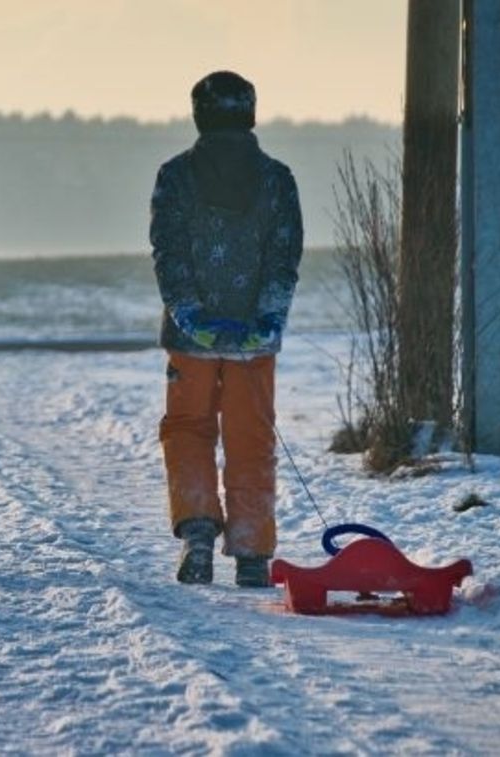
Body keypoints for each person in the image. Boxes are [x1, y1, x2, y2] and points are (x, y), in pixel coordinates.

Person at [149, 71, 303, 587]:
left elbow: (168, 254)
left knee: (188, 428)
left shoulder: (174, 177)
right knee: (251, 437)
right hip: (255, 342)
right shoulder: (278, 180)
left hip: (192, 338)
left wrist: (188, 311)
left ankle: (197, 533)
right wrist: (268, 317)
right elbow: (285, 259)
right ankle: (253, 552)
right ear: (250, 113)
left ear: (199, 115)